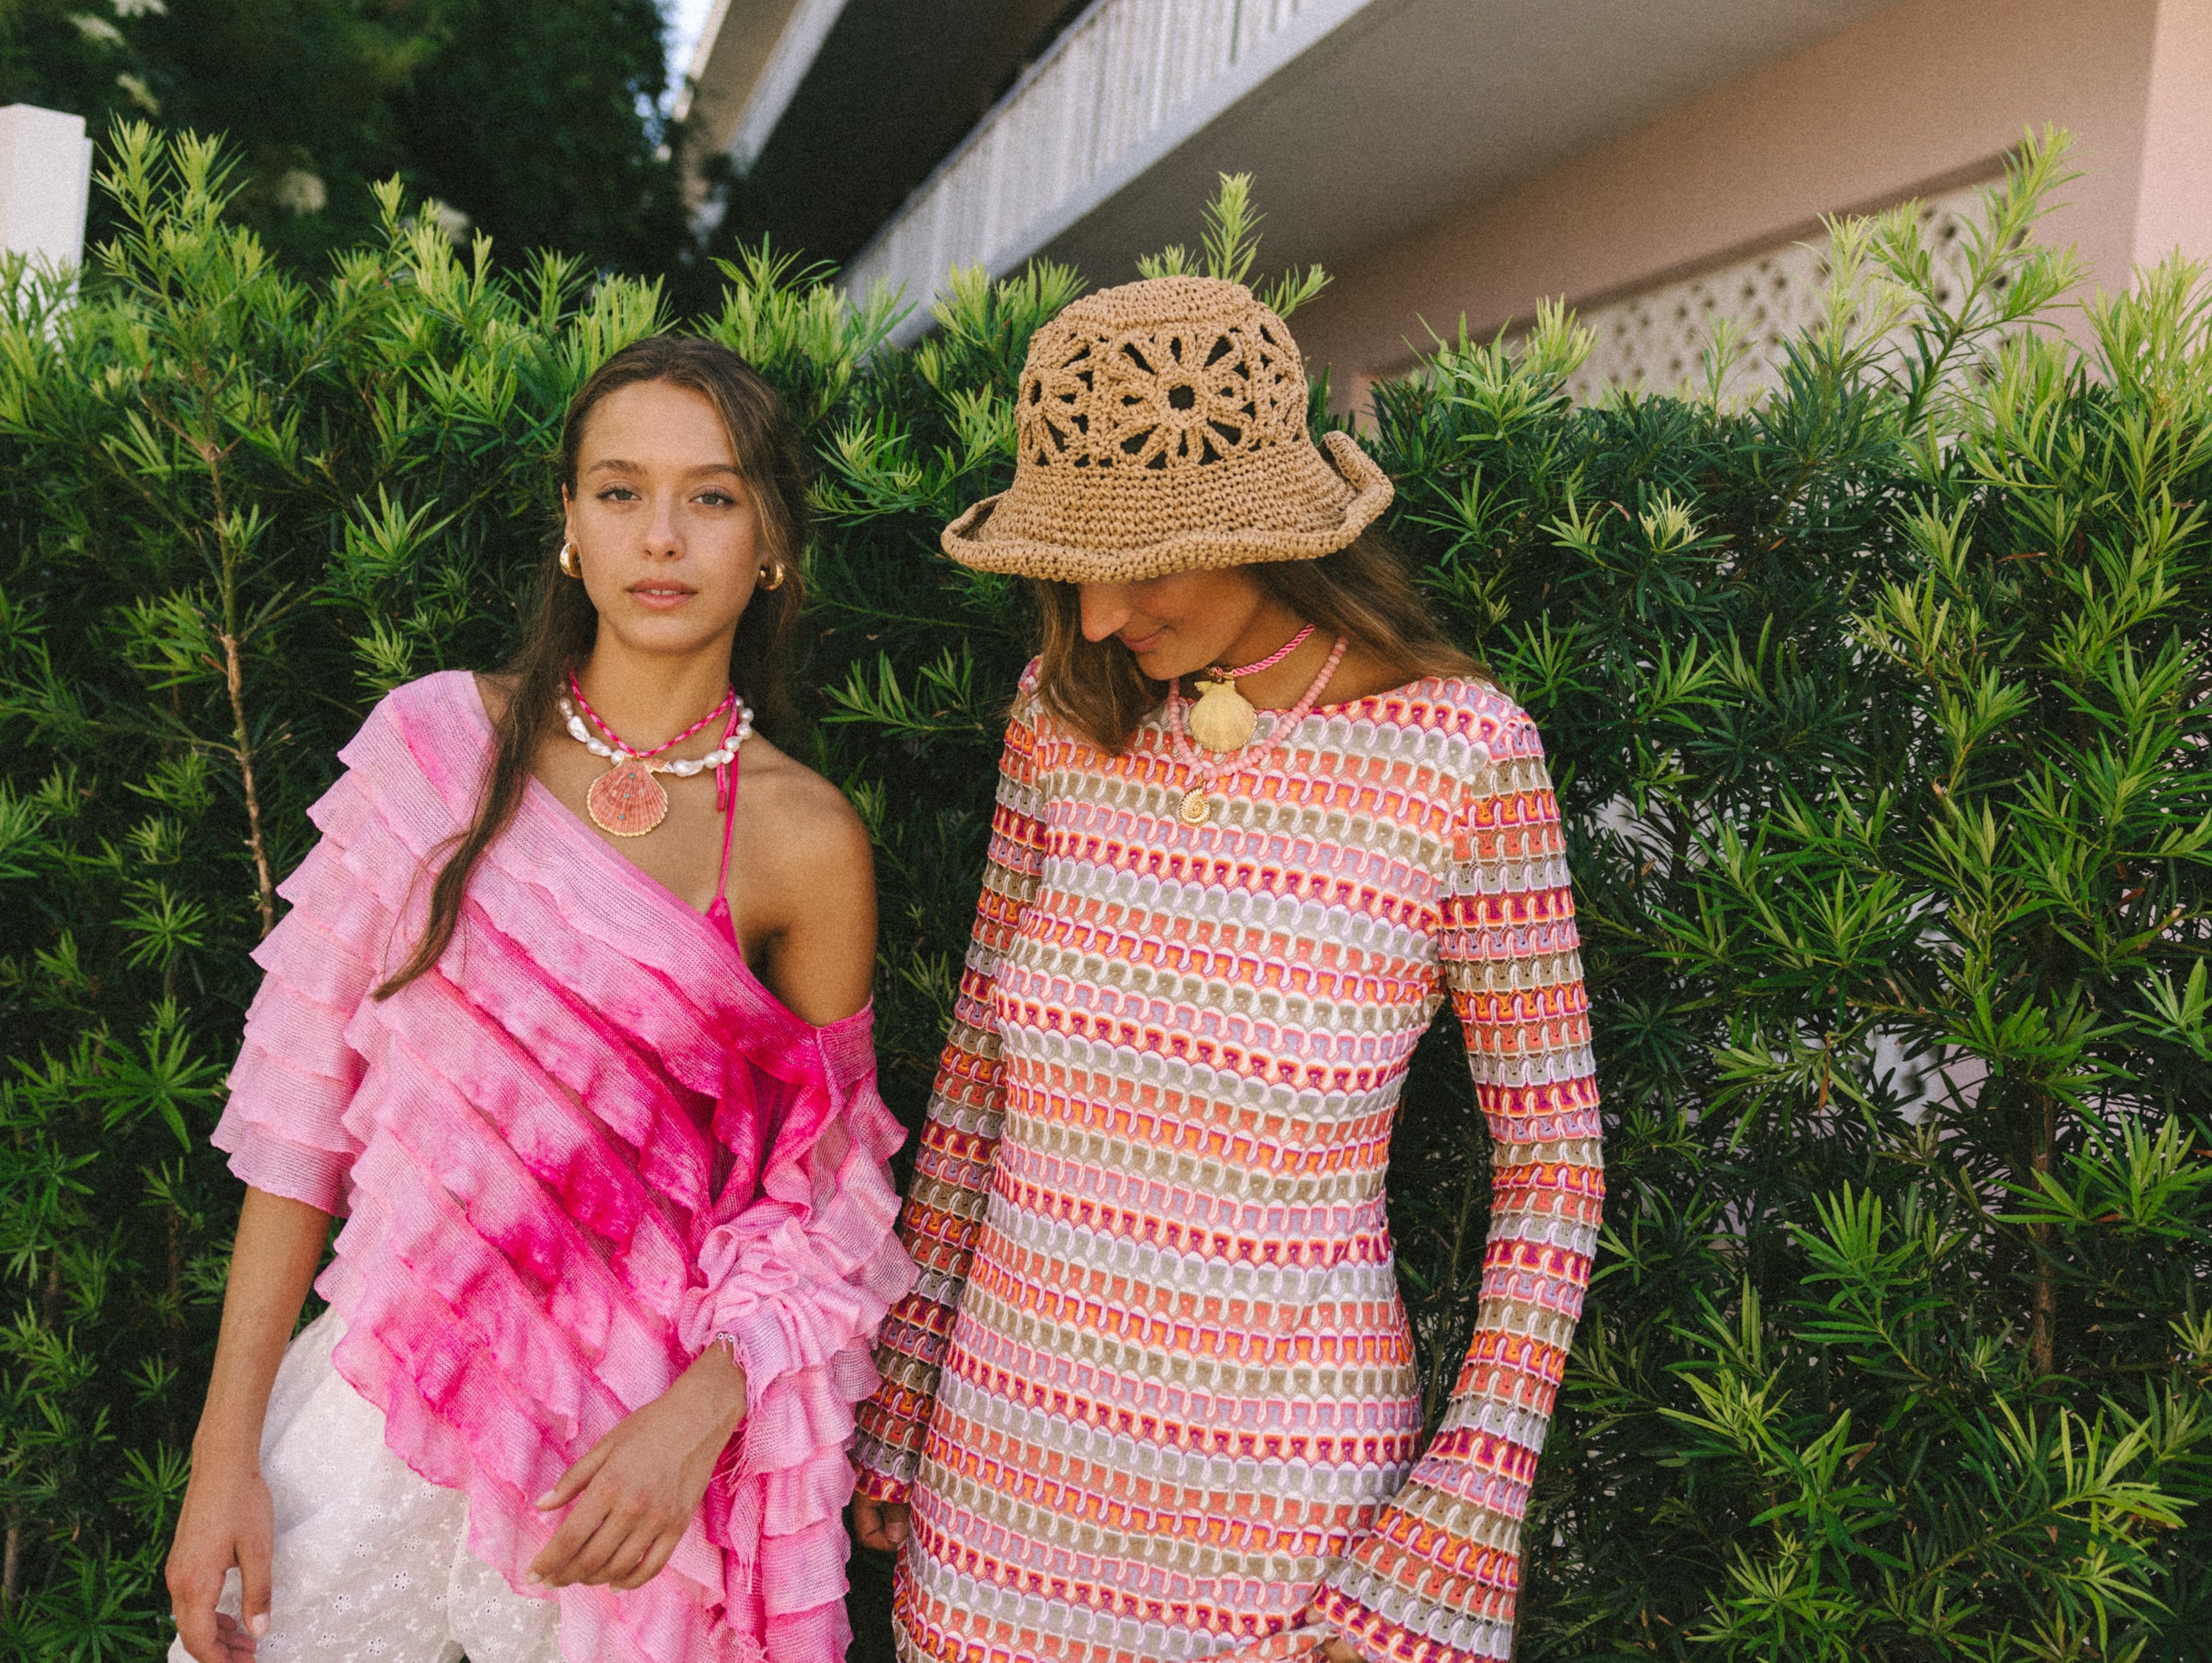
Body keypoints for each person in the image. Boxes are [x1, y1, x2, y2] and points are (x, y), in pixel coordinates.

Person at [846, 277, 1604, 1663]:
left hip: (1286, 1528)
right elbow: (976, 1075)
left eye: (1142, 565)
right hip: (997, 1486)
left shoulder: (1466, 759)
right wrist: (903, 1368)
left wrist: (1471, 1503)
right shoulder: (1058, 723)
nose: (1093, 618)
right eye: (1075, 568)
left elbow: (1554, 1162)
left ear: (1264, 532)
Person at [165, 337, 914, 1663]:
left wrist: (697, 1420)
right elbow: (296, 1135)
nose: (662, 536)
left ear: (775, 544)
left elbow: (826, 1202)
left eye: (716, 496)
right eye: (619, 491)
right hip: (372, 1407)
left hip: (626, 1487)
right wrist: (223, 1455)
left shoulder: (808, 842)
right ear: (570, 526)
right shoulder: (433, 748)